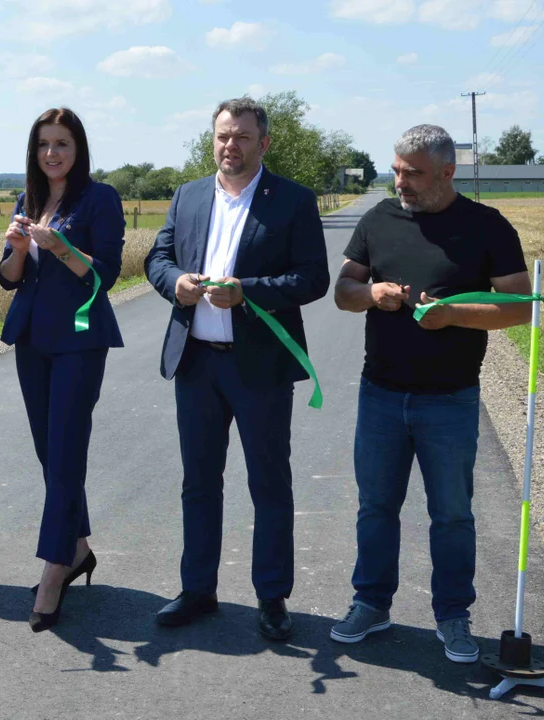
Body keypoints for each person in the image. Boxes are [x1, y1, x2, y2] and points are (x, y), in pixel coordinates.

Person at [330, 124, 531, 663]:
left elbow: (520, 306)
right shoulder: (379, 218)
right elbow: (343, 292)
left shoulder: (487, 225)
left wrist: (453, 315)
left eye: (414, 173)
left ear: (447, 172)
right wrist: (371, 293)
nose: (401, 182)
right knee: (376, 508)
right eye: (397, 170)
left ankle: (453, 615)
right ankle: (371, 604)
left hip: (450, 398)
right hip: (380, 394)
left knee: (452, 515)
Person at [144, 97, 329, 639]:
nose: (231, 145)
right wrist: (174, 282)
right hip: (196, 363)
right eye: (224, 135)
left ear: (263, 143)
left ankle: (272, 597)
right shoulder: (188, 195)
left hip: (259, 367)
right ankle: (197, 590)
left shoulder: (293, 200)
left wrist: (248, 291)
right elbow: (158, 258)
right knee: (199, 483)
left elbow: (313, 278)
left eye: (243, 137)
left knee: (268, 483)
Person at [0, 108, 125, 632]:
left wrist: (64, 248)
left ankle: (53, 573)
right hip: (31, 338)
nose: (52, 153)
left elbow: (106, 275)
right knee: (50, 453)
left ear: (79, 149)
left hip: (78, 340)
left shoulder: (100, 198)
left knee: (67, 449)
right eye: (44, 144)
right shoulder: (27, 200)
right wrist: (19, 249)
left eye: (62, 144)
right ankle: (77, 548)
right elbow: (9, 277)